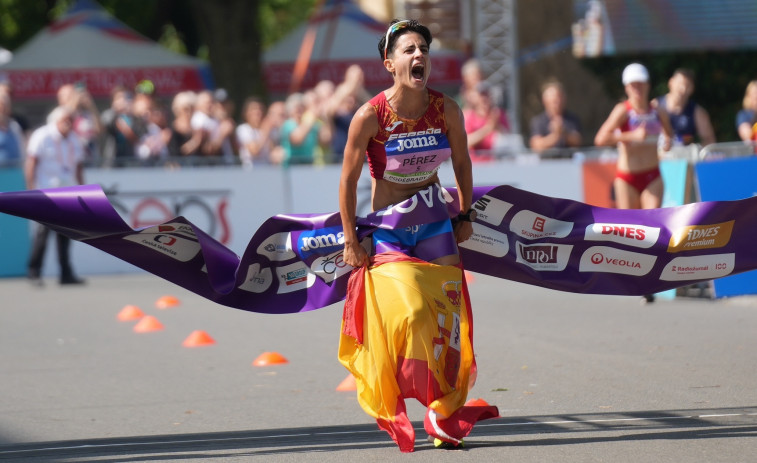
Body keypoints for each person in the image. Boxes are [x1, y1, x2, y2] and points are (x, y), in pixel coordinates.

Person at [338, 19, 498, 452]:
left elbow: (462, 163)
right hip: (390, 229)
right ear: (390, 63)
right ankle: (400, 393)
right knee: (410, 312)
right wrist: (352, 239)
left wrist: (464, 213)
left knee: (450, 319)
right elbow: (348, 182)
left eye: (423, 48)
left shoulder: (447, 110)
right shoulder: (370, 116)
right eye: (408, 50)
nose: (419, 55)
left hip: (434, 224)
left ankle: (442, 412)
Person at [594, 63, 673, 303]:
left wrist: (668, 142)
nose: (637, 89)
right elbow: (601, 138)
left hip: (652, 175)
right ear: (627, 87)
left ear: (648, 85)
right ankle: (632, 276)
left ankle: (648, 281)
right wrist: (629, 136)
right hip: (627, 177)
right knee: (631, 231)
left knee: (652, 224)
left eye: (641, 84)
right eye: (633, 85)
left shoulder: (657, 111)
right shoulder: (623, 110)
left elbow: (670, 134)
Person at [25, 106, 86, 286]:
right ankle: (34, 271)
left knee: (65, 234)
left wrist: (83, 191)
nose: (68, 124)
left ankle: (65, 274)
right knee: (43, 233)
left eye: (70, 121)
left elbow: (79, 167)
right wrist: (31, 190)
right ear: (56, 120)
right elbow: (31, 163)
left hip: (67, 192)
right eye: (65, 120)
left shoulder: (74, 139)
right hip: (46, 191)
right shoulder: (42, 136)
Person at [656, 68, 715, 147]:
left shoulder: (697, 112)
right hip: (658, 155)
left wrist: (695, 151)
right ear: (671, 83)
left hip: (684, 156)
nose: (682, 89)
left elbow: (709, 141)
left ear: (692, 89)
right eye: (679, 84)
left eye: (687, 86)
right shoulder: (655, 106)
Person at [529, 80, 583, 153]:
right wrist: (555, 136)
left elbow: (578, 141)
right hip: (547, 162)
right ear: (545, 101)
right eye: (554, 101)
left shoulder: (572, 119)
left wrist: (563, 133)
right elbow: (536, 145)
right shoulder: (538, 121)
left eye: (559, 99)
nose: (557, 103)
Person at [463, 81, 511, 161]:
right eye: (482, 95)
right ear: (476, 97)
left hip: (496, 163)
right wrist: (488, 129)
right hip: (475, 164)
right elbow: (465, 142)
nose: (484, 98)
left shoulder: (499, 114)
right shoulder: (469, 116)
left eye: (487, 94)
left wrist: (497, 126)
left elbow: (509, 139)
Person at [279, 92, 330, 166]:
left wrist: (324, 117)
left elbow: (326, 140)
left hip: (309, 165)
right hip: (293, 165)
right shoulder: (288, 124)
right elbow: (297, 140)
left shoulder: (311, 123)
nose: (300, 109)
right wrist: (312, 115)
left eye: (302, 106)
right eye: (296, 107)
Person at [168, 91, 203, 159]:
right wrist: (195, 141)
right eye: (186, 109)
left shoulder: (197, 130)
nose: (189, 112)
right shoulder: (172, 131)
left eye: (192, 108)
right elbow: (177, 153)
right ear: (177, 110)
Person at [0, 92, 24, 166]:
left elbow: (21, 148)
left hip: (15, 172)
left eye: (5, 106)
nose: (3, 109)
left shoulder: (15, 126)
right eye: (1, 106)